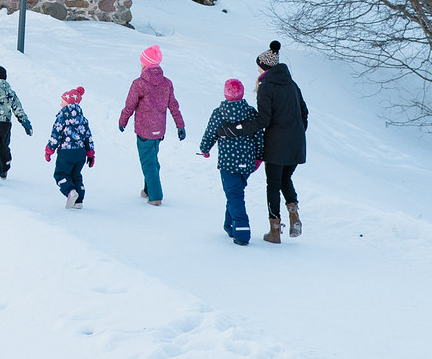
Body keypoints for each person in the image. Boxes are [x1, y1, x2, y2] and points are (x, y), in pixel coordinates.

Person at [250, 40, 310, 243]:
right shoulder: (292, 84)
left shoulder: (266, 87)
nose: (257, 69)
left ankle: (274, 230)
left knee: (273, 185)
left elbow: (263, 120)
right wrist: (297, 132)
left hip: (276, 144)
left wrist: (241, 128)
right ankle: (294, 213)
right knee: (286, 178)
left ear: (265, 67)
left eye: (259, 66)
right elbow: (304, 112)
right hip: (297, 142)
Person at [116, 44, 186, 206]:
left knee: (148, 162)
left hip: (144, 130)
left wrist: (122, 121)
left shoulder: (139, 83)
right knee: (152, 159)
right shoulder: (166, 83)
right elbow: (173, 106)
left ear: (145, 63)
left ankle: (155, 196)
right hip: (159, 130)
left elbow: (130, 105)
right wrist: (180, 125)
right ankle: (148, 189)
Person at [197, 77, 261, 245]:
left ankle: (242, 233)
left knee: (234, 195)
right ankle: (229, 226)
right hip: (247, 163)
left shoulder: (219, 113)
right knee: (234, 193)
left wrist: (205, 149)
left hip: (228, 163)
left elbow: (210, 133)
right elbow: (259, 136)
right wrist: (259, 156)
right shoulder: (251, 113)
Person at [44, 86, 95, 208]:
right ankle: (79, 201)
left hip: (66, 153)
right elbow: (88, 136)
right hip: (80, 153)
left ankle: (70, 191)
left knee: (60, 174)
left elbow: (56, 134)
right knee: (76, 175)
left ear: (68, 102)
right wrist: (90, 153)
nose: (60, 104)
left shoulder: (62, 117)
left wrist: (49, 150)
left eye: (62, 101)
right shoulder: (83, 119)